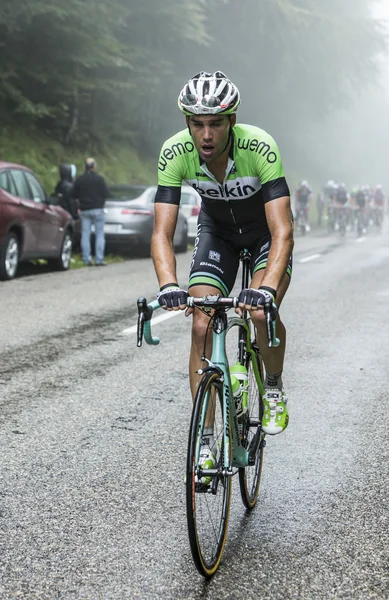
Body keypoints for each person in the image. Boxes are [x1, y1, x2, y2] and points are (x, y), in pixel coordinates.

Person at [151, 70, 294, 467]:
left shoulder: (260, 147)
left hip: (266, 234)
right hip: (218, 233)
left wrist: (265, 289)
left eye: (215, 123)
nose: (206, 134)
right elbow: (162, 232)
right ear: (187, 124)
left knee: (262, 311)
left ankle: (273, 387)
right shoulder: (174, 152)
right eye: (197, 124)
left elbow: (283, 229)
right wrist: (168, 284)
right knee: (201, 322)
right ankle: (206, 440)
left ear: (232, 120)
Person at [72, 158, 109, 266]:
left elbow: (74, 194)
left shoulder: (80, 179)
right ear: (94, 166)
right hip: (98, 209)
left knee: (85, 235)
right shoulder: (100, 179)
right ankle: (99, 259)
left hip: (84, 210)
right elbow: (106, 193)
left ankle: (86, 258)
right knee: (99, 235)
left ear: (85, 166)